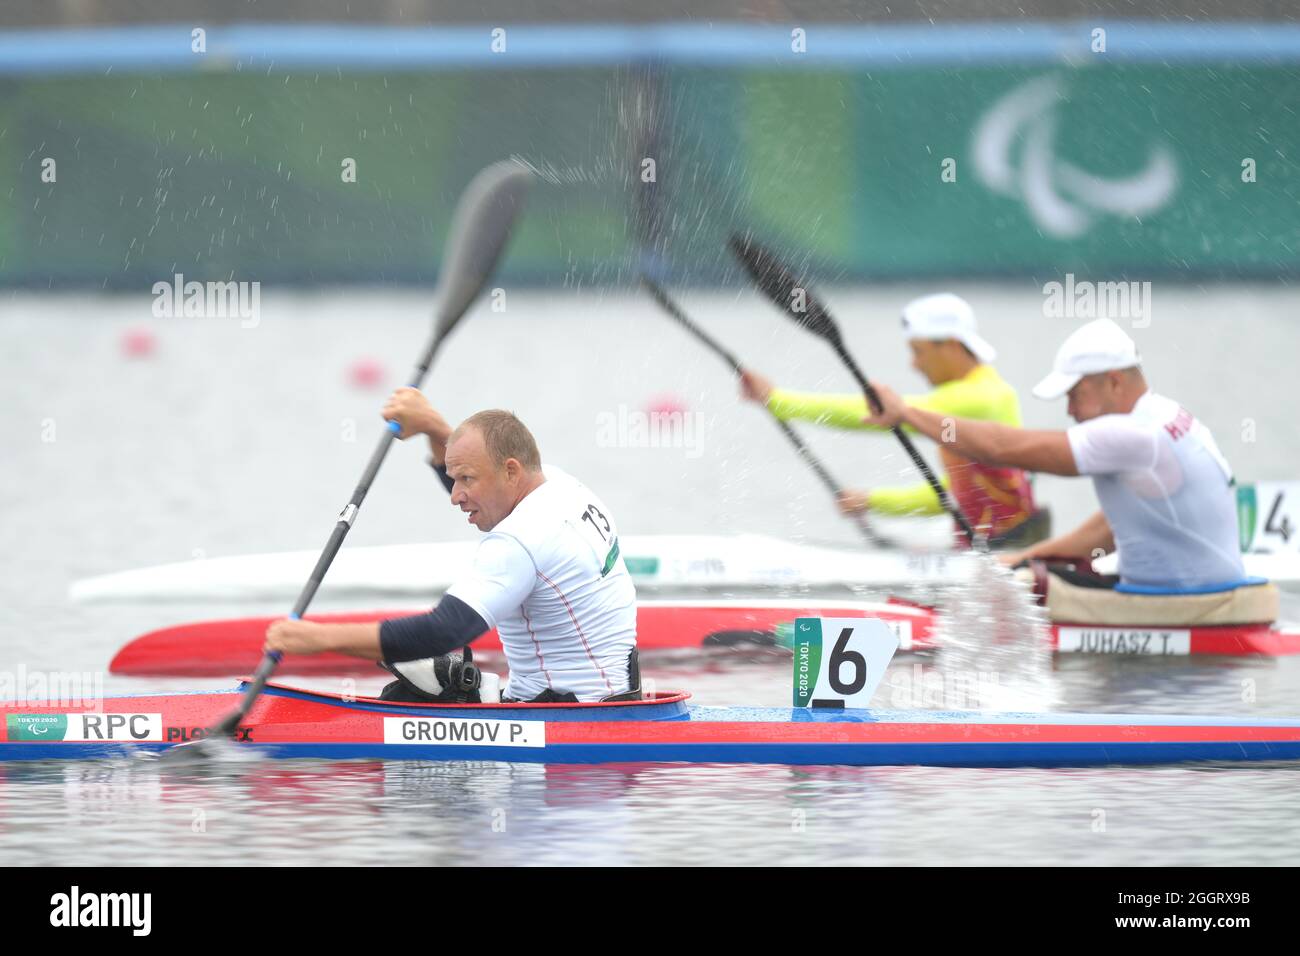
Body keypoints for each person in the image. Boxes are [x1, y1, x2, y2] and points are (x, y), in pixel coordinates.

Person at [858, 318, 1276, 625]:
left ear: (1113, 381)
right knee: (1022, 573)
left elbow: (1001, 447)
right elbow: (1116, 526)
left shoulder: (1132, 435)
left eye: (1075, 394)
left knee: (1013, 594)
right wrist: (1028, 555)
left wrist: (907, 413)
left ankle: (928, 634)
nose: (1070, 411)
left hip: (1182, 611)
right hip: (1213, 599)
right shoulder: (1165, 413)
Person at [265, 391, 639, 703]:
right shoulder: (558, 485)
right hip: (614, 699)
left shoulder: (519, 542)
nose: (455, 496)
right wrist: (430, 426)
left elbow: (442, 631)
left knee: (407, 690)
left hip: (569, 719)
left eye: (466, 479)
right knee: (425, 673)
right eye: (454, 478)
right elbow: (488, 487)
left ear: (511, 471)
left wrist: (318, 638)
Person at [739, 293, 1045, 547]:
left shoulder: (980, 397)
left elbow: (872, 414)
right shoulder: (980, 393)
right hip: (987, 547)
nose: (914, 364)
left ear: (950, 345)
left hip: (1009, 552)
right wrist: (871, 501)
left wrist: (778, 400)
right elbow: (951, 496)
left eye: (918, 351)